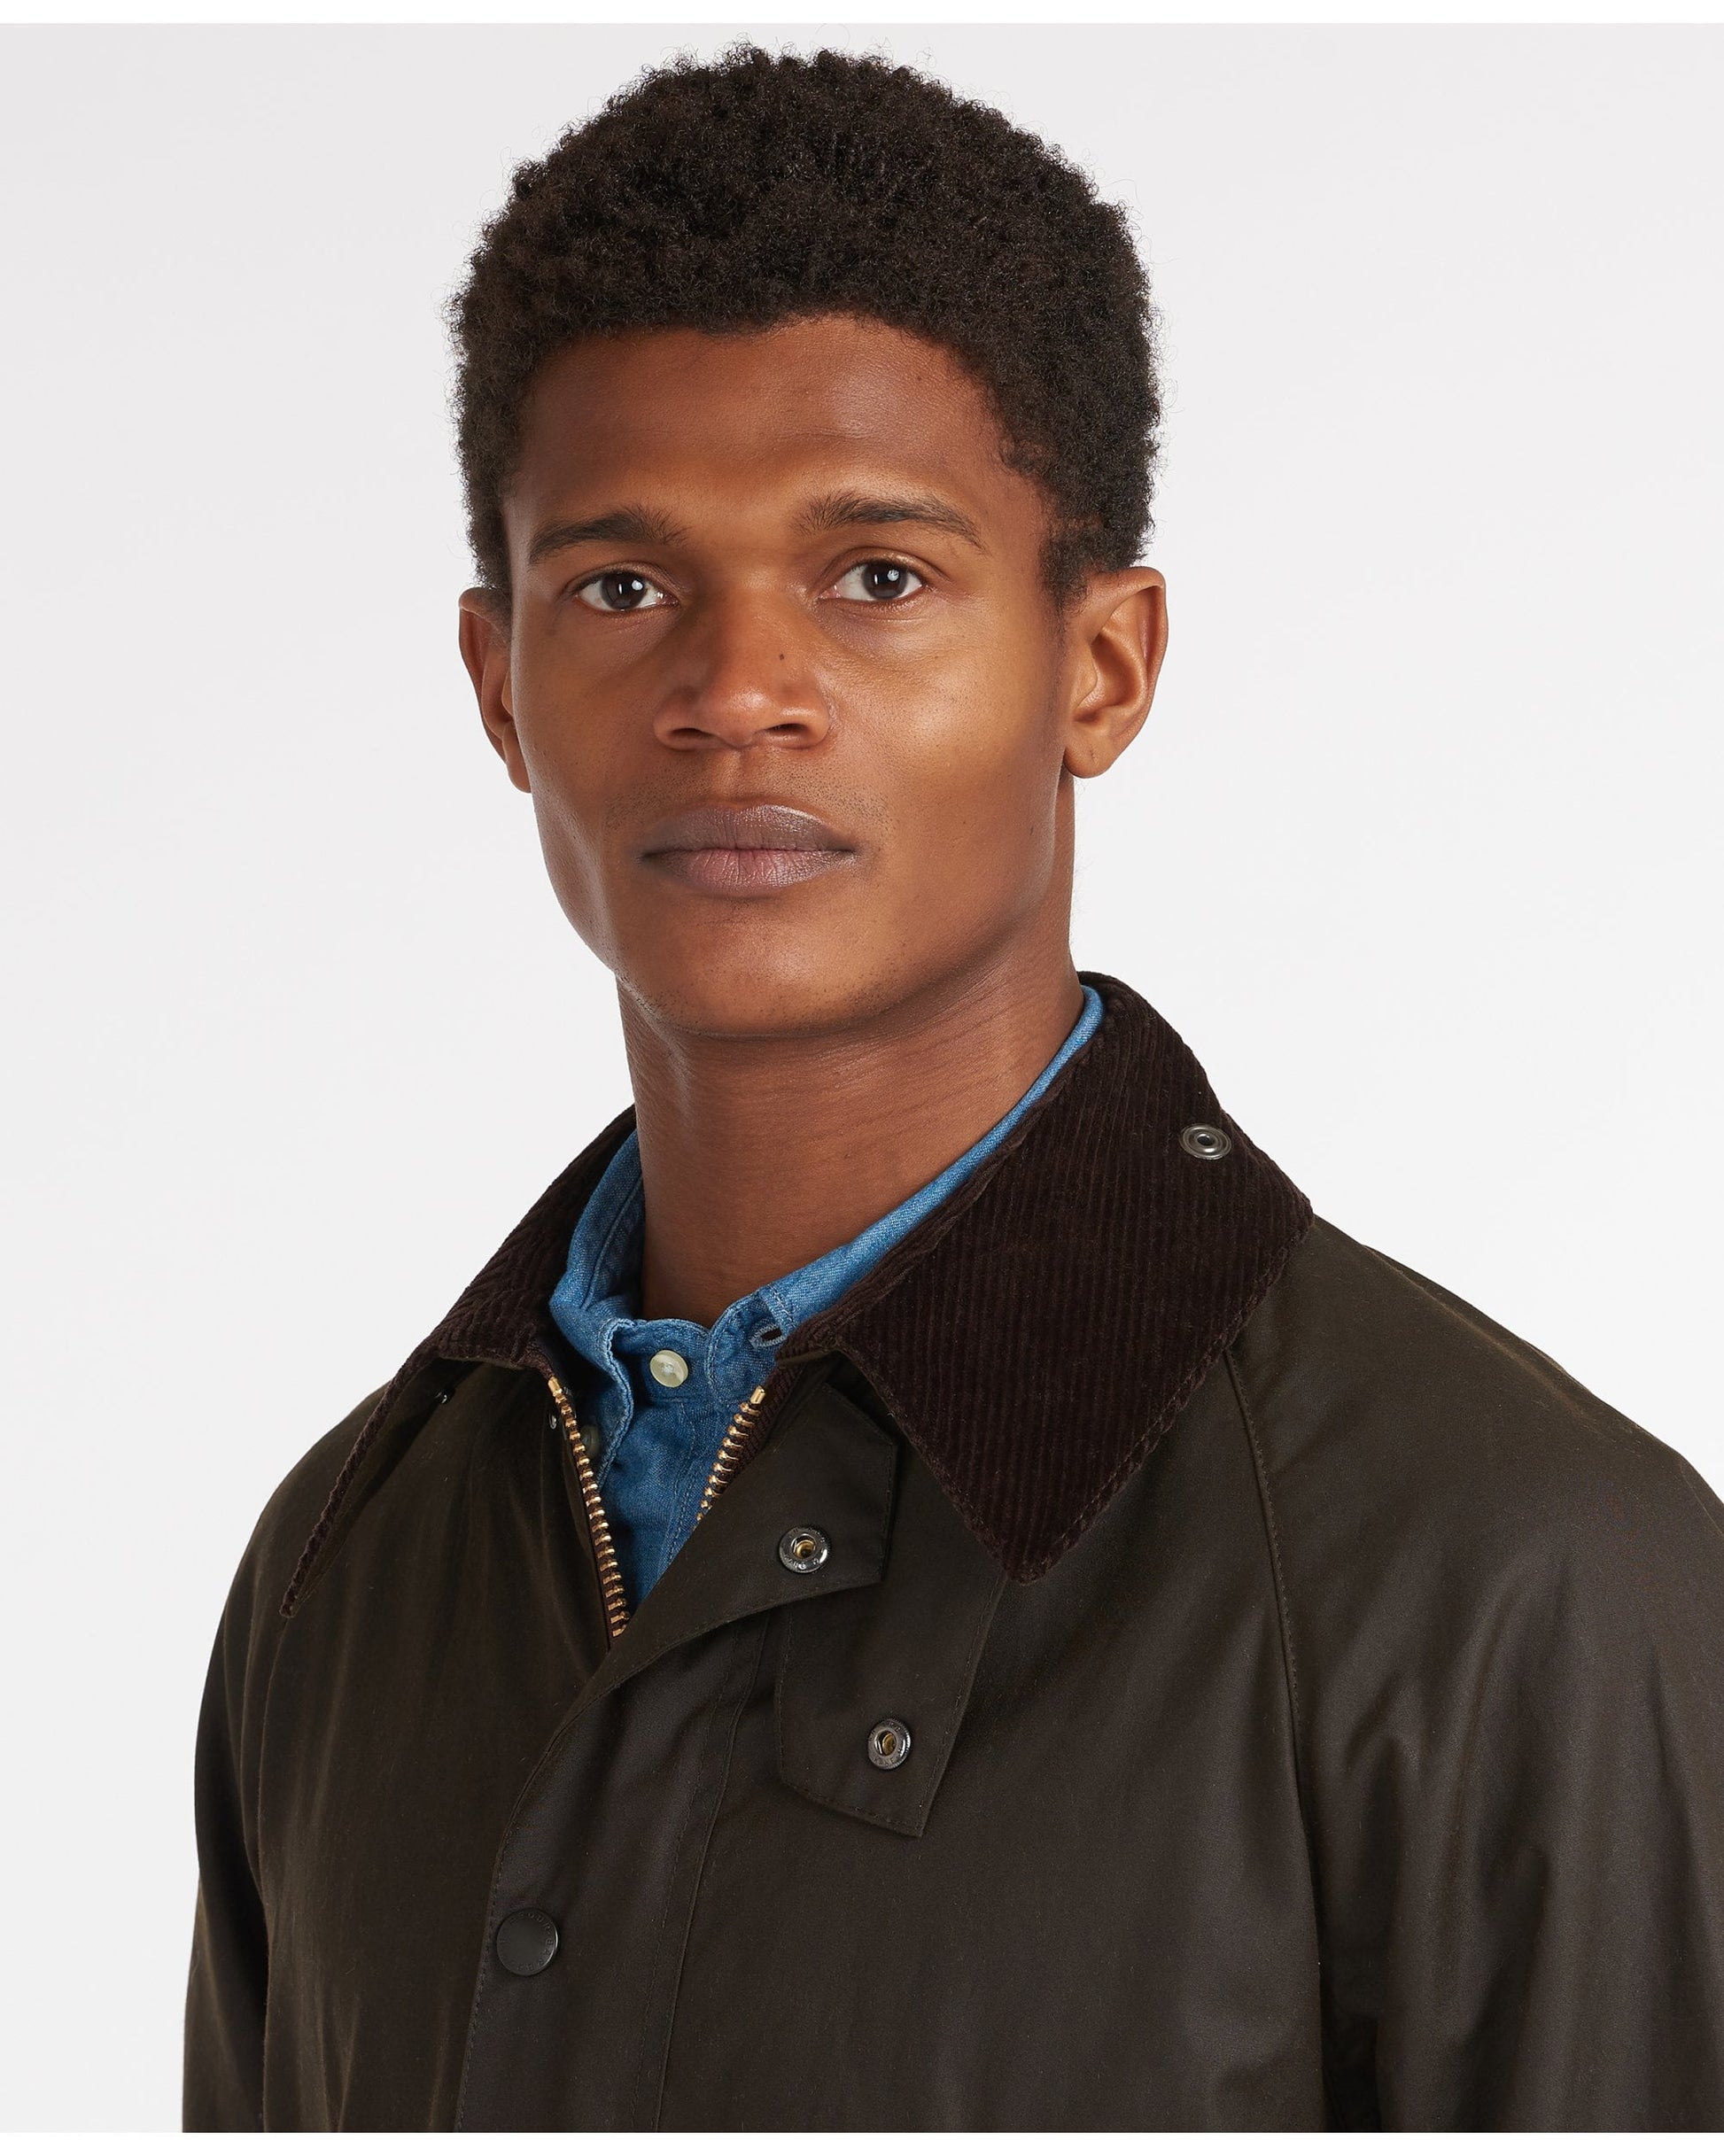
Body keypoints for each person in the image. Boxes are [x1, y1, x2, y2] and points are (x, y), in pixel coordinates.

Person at [182, 47, 1724, 2132]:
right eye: (622, 587)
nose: (736, 690)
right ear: (497, 685)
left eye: (877, 576)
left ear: (1101, 663)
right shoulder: (347, 1566)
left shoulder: (1515, 1572)